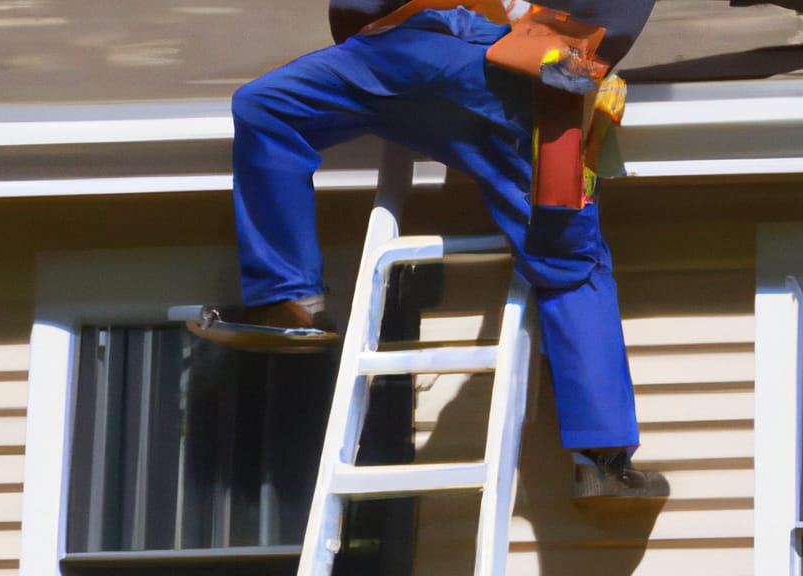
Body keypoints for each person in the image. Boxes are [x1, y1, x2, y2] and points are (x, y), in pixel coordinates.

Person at [199, 0, 667, 498]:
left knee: (265, 106)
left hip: (397, 47)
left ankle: (287, 300)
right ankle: (604, 463)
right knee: (572, 263)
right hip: (522, 62)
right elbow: (600, 26)